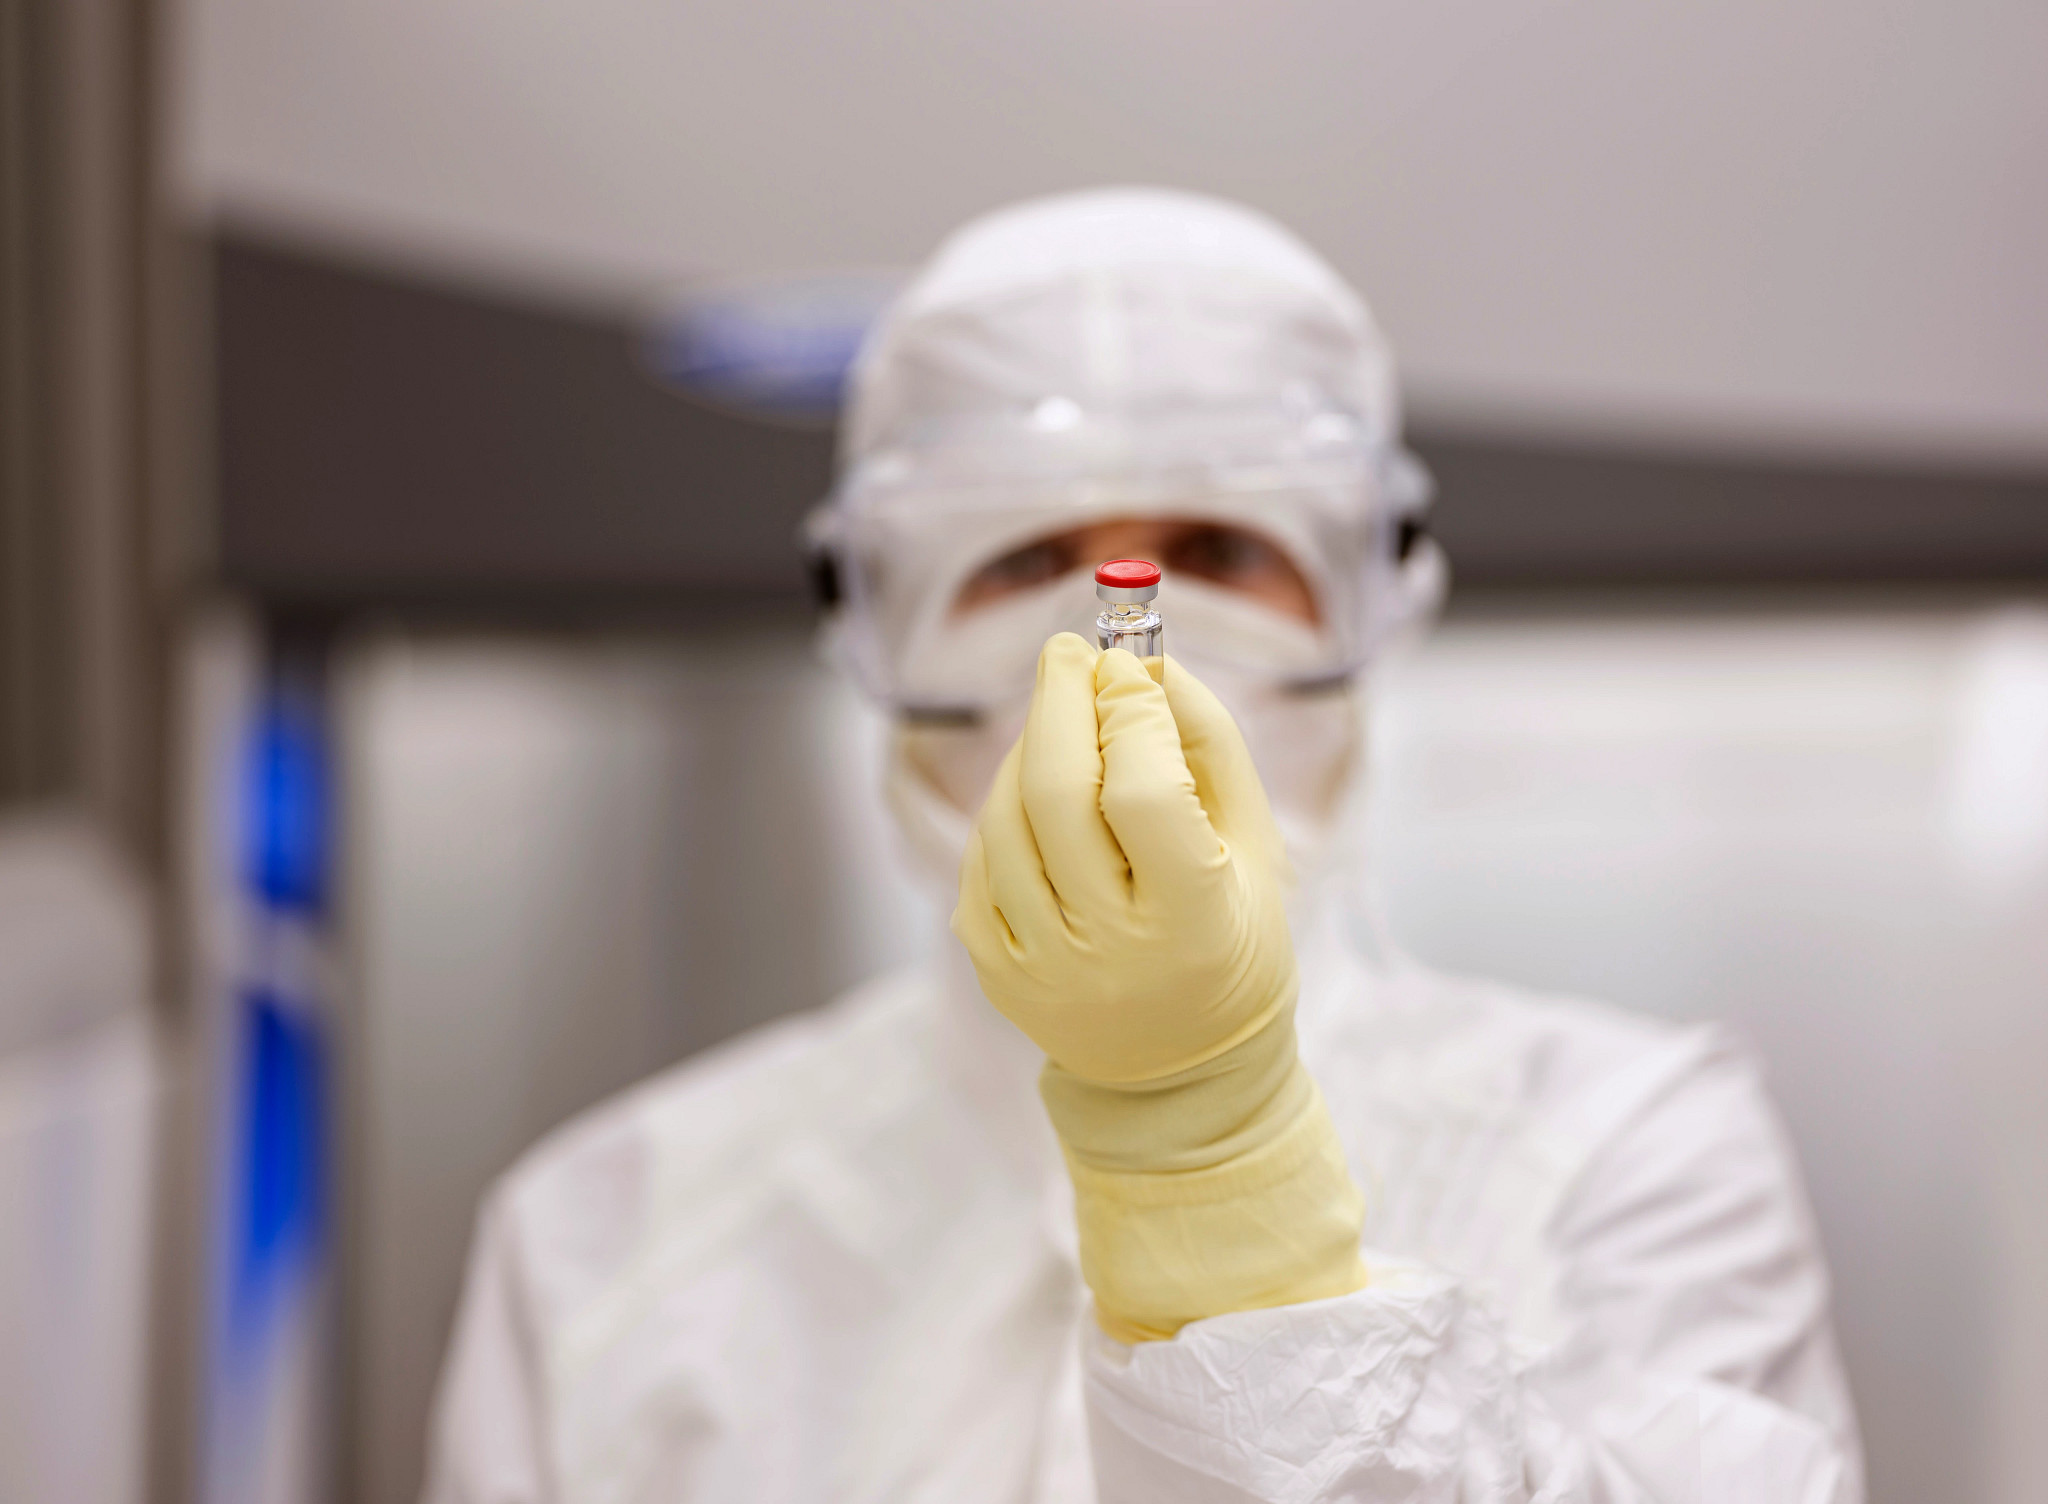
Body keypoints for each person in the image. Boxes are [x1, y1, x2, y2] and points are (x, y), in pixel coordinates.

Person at [423, 189, 1863, 1502]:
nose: (1130, 631)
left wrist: (1226, 1185)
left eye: (1225, 550)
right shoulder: (609, 1236)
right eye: (1020, 558)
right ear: (875, 625)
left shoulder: (1625, 1154)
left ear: (1372, 603)